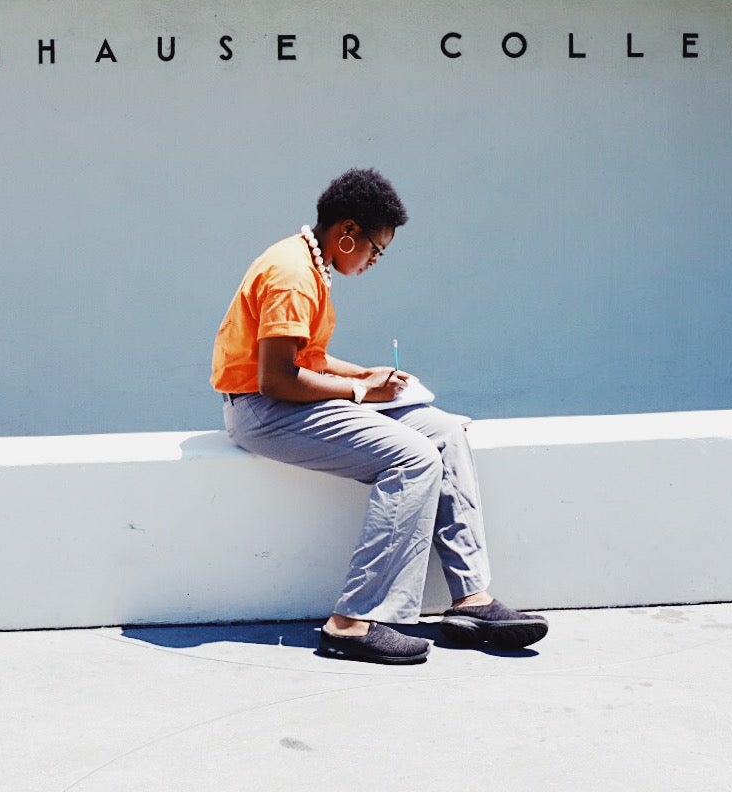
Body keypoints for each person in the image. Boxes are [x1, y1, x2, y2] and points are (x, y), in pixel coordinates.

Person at [211, 167, 548, 664]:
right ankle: (350, 624)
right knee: (412, 458)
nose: (374, 260)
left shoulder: (310, 262)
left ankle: (470, 599)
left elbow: (305, 357)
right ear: (348, 233)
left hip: (285, 399)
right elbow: (276, 379)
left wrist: (364, 376)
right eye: (376, 248)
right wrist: (359, 393)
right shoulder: (292, 275)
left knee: (443, 432)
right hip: (263, 411)